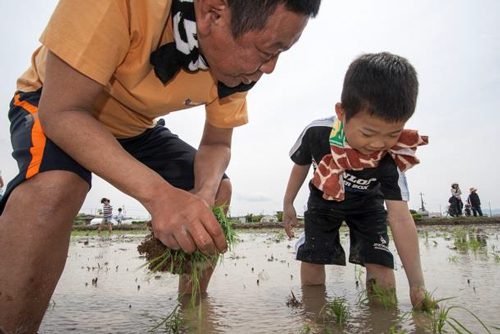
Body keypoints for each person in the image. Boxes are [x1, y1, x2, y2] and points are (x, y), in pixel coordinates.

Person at [0, 0, 321, 332]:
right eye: (269, 50)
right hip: (56, 101)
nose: (270, 68)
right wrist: (158, 196)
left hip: (137, 125)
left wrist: (202, 194)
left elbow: (216, 144)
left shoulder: (240, 70)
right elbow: (62, 113)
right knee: (57, 185)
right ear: (214, 13)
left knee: (217, 192)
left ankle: (192, 312)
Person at [283, 52, 429, 308]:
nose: (377, 144)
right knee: (314, 257)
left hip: (367, 206)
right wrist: (288, 203)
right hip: (323, 199)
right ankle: (315, 313)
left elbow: (400, 217)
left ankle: (382, 318)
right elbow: (301, 165)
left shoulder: (391, 158)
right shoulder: (317, 133)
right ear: (342, 113)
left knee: (381, 264)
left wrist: (418, 286)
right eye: (368, 132)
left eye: (392, 134)